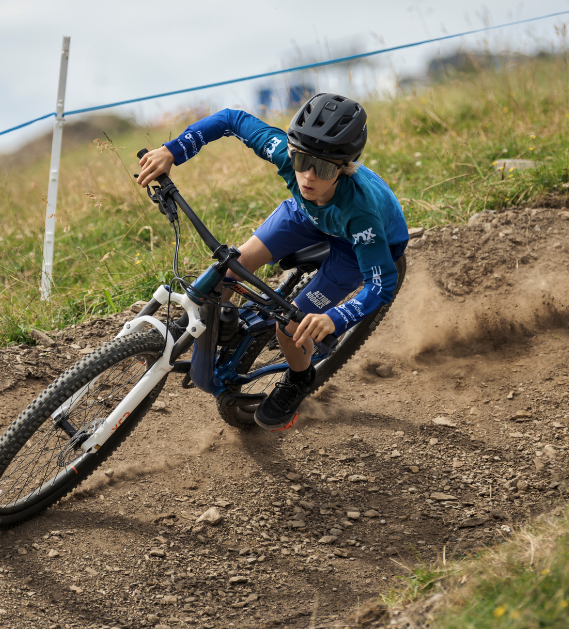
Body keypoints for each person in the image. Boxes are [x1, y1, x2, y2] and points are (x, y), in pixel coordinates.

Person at [137, 93, 408, 431]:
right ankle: (222, 323)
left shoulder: (361, 212)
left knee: (290, 327)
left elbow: (382, 284)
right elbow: (231, 119)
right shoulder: (289, 156)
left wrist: (335, 318)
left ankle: (299, 377)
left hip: (354, 244)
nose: (307, 176)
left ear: (345, 167)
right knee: (227, 270)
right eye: (300, 161)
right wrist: (171, 150)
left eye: (322, 168)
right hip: (307, 214)